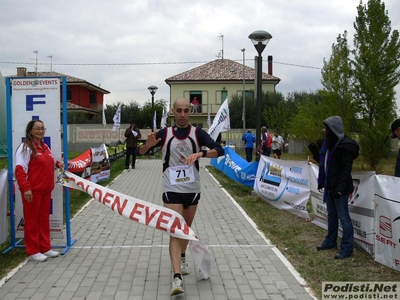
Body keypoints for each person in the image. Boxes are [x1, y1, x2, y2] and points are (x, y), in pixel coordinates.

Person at [137, 98, 224, 296]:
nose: (183, 114)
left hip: (192, 189)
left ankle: (182, 257)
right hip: (172, 188)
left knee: (185, 229)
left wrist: (200, 154)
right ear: (173, 112)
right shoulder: (164, 133)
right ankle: (177, 277)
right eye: (179, 111)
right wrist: (147, 145)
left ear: (190, 112)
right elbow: (138, 151)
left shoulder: (197, 133)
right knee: (175, 229)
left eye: (186, 111)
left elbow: (220, 150)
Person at [308, 116, 359, 260]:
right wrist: (317, 155)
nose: (323, 131)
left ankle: (347, 248)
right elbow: (327, 165)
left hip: (339, 189)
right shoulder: (329, 144)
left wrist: (339, 189)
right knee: (332, 215)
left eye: (325, 128)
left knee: (344, 218)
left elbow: (345, 170)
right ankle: (330, 241)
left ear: (332, 129)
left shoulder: (345, 147)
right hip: (330, 186)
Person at [14, 119, 64, 262]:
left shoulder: (45, 146)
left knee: (43, 220)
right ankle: (33, 251)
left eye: (42, 128)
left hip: (46, 190)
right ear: (30, 131)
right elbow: (19, 170)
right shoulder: (26, 148)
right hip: (32, 191)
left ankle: (45, 247)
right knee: (31, 221)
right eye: (37, 128)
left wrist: (57, 164)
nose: (40, 131)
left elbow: (46, 163)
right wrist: (26, 188)